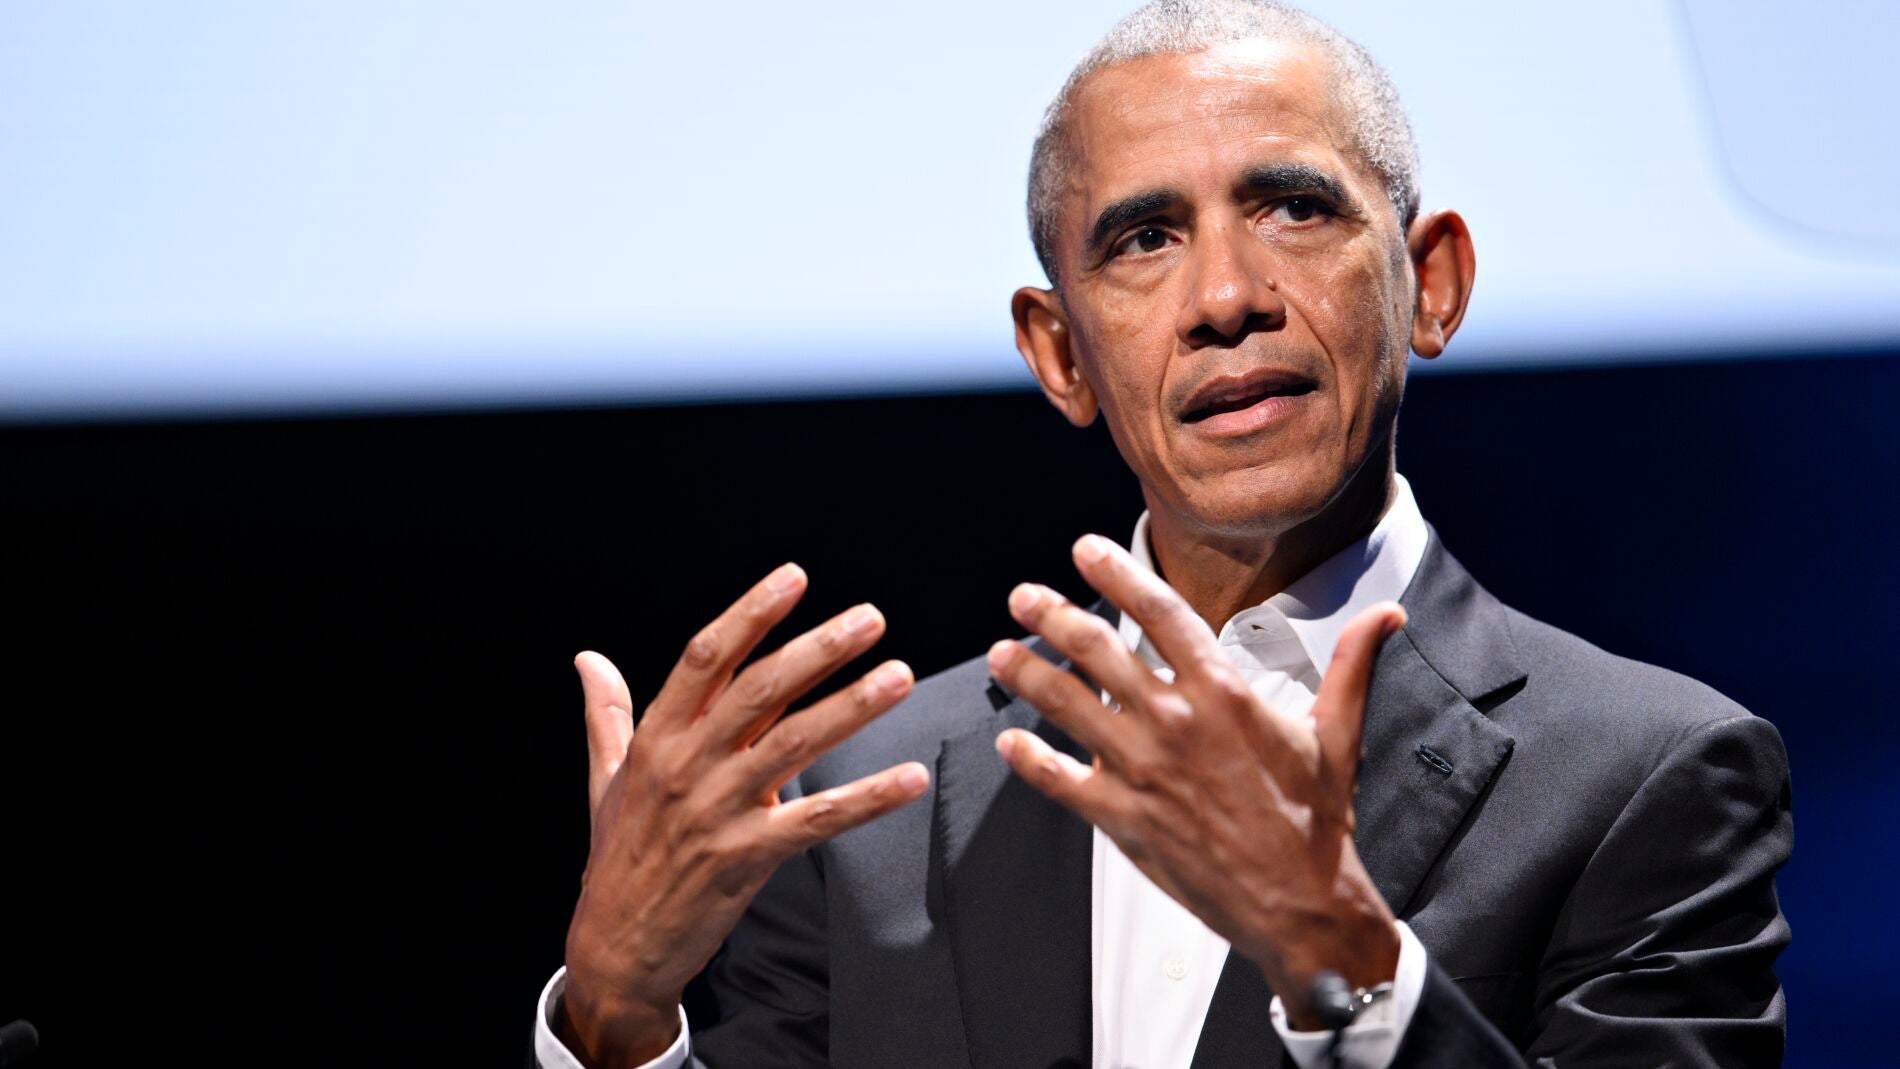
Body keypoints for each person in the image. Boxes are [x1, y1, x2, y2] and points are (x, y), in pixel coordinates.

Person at [532, 2, 1792, 1066]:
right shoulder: (869, 802)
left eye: (1293, 208)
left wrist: (1343, 965)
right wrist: (617, 1019)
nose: (1227, 299)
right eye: (1143, 240)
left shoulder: (1649, 774)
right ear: (1059, 352)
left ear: (1432, 282)